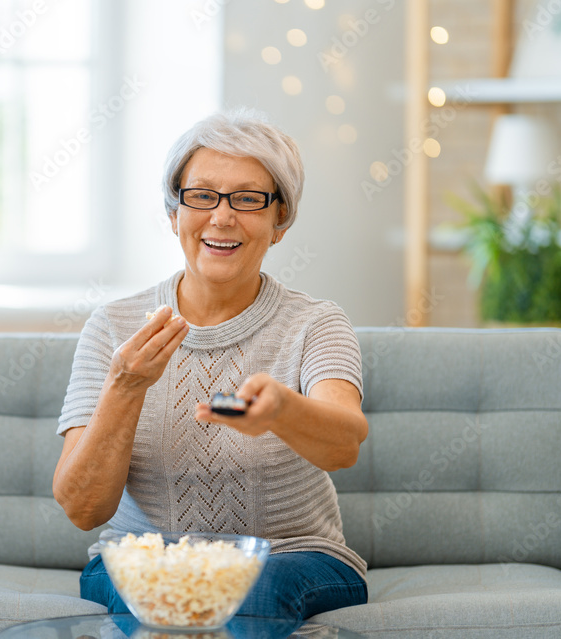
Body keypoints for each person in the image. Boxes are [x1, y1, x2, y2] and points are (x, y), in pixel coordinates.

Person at [52, 108, 369, 625]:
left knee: (242, 592)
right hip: (147, 556)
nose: (222, 217)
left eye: (248, 199)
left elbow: (344, 444)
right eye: (202, 196)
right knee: (167, 596)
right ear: (174, 212)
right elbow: (82, 509)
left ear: (279, 220)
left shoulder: (316, 323)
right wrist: (125, 387)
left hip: (291, 556)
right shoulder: (115, 327)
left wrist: (280, 411)